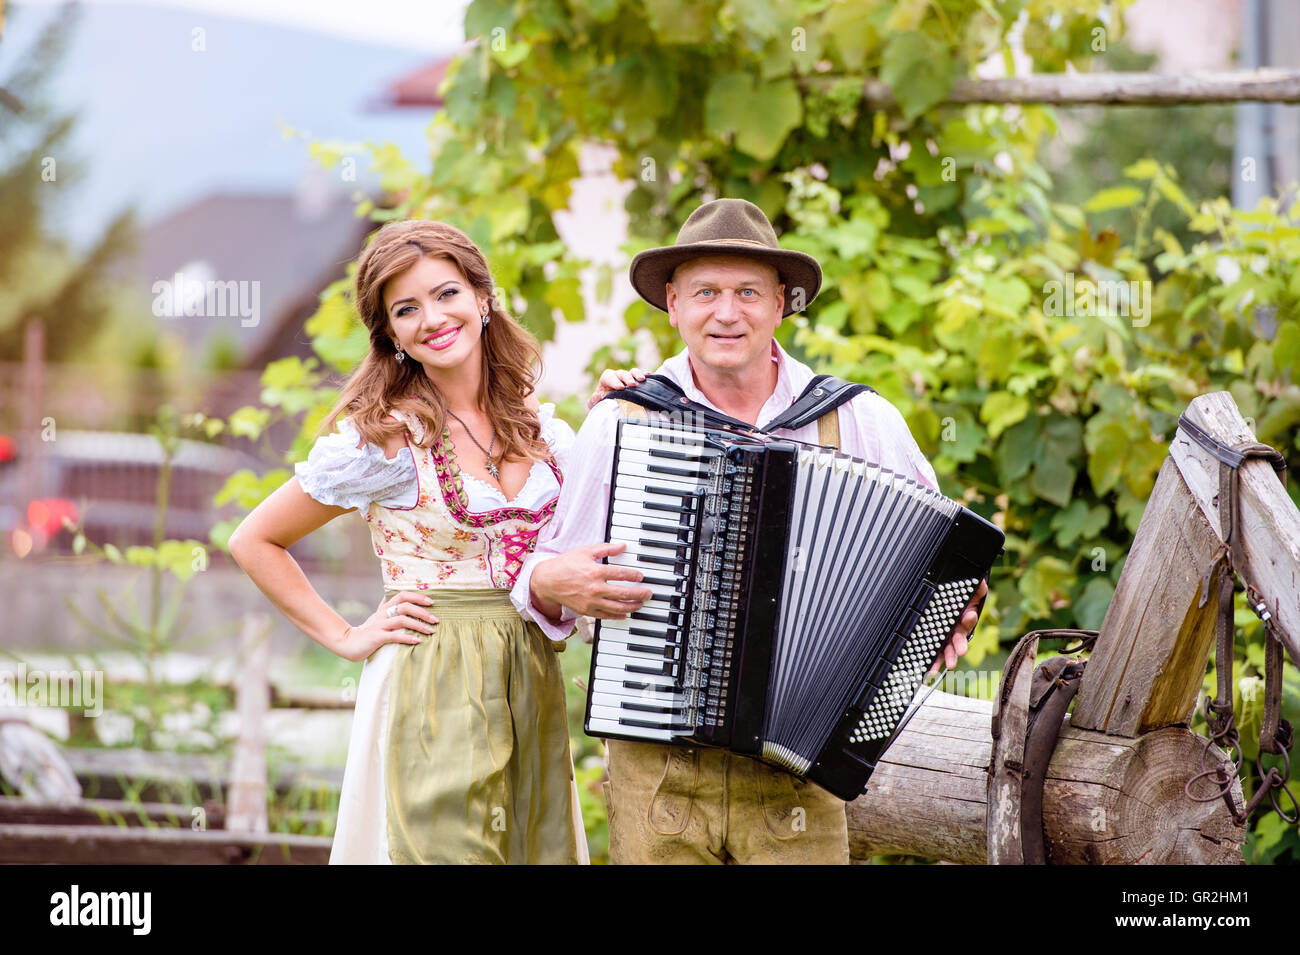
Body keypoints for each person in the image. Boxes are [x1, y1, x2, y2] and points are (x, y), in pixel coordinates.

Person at [510, 198, 988, 864]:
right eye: (705, 292)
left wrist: (948, 618)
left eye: (747, 293)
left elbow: (947, 562)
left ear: (782, 303)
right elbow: (543, 576)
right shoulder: (625, 420)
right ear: (673, 304)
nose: (726, 312)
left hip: (798, 779)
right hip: (660, 772)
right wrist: (549, 579)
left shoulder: (860, 419)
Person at [229, 219, 585, 864]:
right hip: (430, 674)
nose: (432, 318)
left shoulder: (541, 431)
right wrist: (345, 637)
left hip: (529, 673)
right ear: (391, 334)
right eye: (406, 309)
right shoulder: (387, 440)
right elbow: (255, 540)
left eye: (446, 293)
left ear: (483, 297)